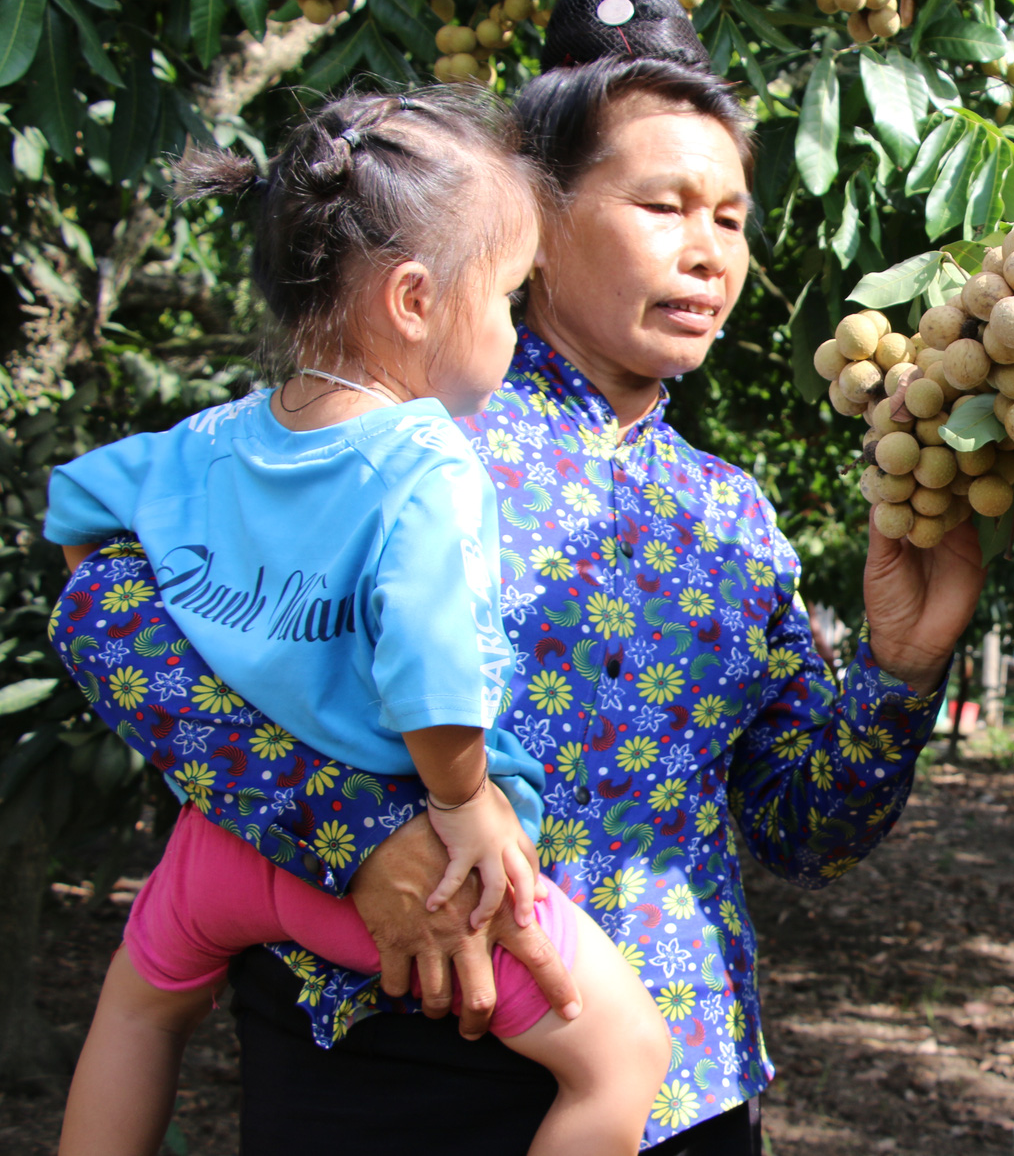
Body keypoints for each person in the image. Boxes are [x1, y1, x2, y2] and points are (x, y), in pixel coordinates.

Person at [54, 0, 1014, 1155]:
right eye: (663, 205)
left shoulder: (728, 514)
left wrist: (898, 669)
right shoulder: (402, 418)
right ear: (540, 215)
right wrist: (355, 835)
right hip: (390, 1057)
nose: (707, 250)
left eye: (728, 217)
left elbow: (802, 829)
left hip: (679, 1086)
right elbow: (107, 612)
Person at [49, 89, 671, 1156]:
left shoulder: (211, 438)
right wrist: (463, 806)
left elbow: (78, 520)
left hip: (221, 842)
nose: (516, 333)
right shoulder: (427, 460)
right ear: (416, 300)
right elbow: (434, 675)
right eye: (509, 297)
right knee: (624, 1055)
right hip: (398, 841)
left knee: (139, 1007)